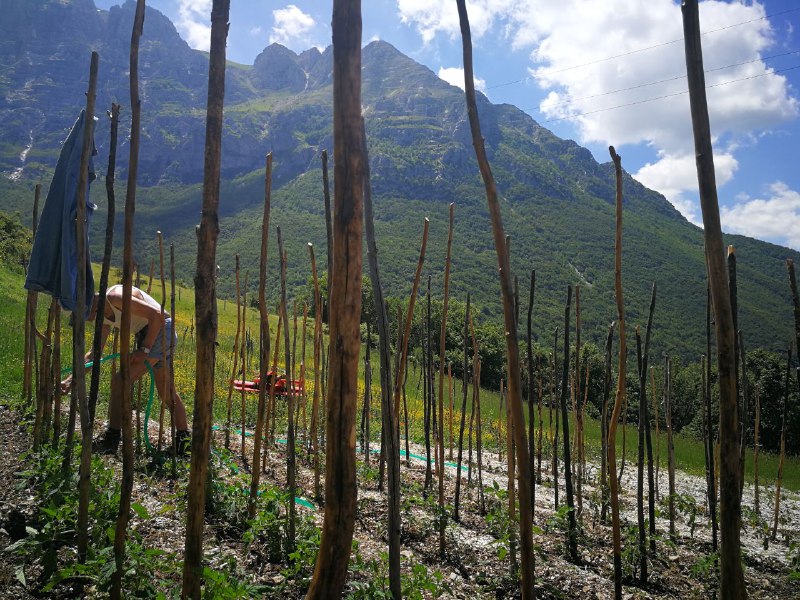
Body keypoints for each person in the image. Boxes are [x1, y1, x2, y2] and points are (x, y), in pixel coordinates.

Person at [61, 283, 190, 456]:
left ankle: (112, 439)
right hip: (152, 334)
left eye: (85, 316)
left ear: (89, 305)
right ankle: (185, 443)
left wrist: (144, 349)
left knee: (119, 381)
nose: (87, 320)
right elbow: (94, 354)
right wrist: (71, 380)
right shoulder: (102, 316)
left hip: (161, 331)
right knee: (166, 392)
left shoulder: (115, 298)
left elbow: (157, 316)